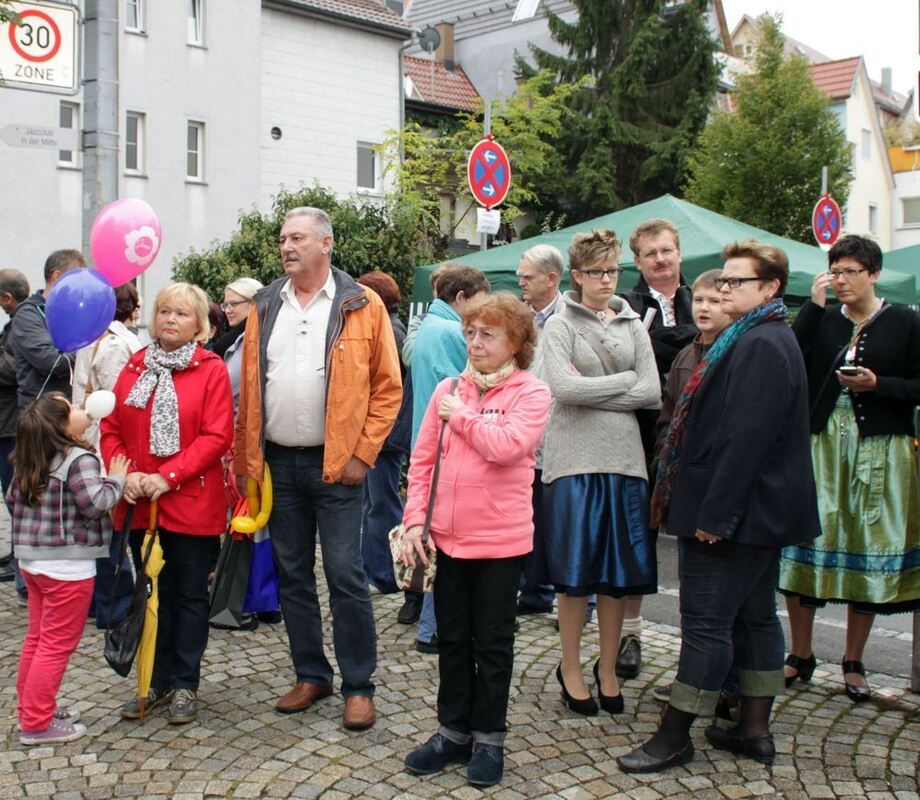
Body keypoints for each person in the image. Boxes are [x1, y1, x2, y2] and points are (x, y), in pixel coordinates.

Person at [618, 240, 820, 774]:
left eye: (736, 282)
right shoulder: (757, 336)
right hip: (755, 514)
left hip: (734, 516)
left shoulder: (759, 343)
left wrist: (716, 517)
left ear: (770, 288)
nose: (724, 289)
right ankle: (753, 730)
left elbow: (744, 441)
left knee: (705, 626)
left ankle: (674, 735)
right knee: (755, 619)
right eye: (723, 281)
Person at [235, 207, 401, 731]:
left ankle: (359, 685)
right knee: (292, 575)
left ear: (326, 243)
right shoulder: (265, 304)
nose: (286, 246)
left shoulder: (361, 303)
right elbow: (250, 394)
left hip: (338, 468)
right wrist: (248, 462)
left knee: (346, 574)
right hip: (279, 463)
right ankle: (311, 673)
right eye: (283, 237)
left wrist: (362, 454)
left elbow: (387, 389)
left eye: (297, 237)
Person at [400, 292, 551, 788]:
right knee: (452, 640)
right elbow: (422, 463)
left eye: (489, 334)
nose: (476, 342)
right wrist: (417, 520)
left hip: (500, 542)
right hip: (447, 537)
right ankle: (452, 733)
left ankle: (489, 737)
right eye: (471, 332)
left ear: (516, 343)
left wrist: (459, 416)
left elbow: (507, 447)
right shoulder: (450, 386)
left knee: (493, 644)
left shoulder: (531, 393)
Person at [779, 235, 920, 702]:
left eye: (849, 272)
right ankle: (800, 653)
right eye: (834, 271)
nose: (839, 280)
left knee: (867, 541)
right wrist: (813, 310)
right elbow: (788, 361)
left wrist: (880, 385)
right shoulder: (822, 319)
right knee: (806, 541)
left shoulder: (904, 321)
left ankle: (853, 659)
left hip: (879, 448)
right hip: (820, 446)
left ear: (873, 274)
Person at [101, 282, 234, 725]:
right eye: (163, 312)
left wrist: (167, 475)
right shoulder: (135, 366)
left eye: (180, 314)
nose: (169, 320)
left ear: (198, 324)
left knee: (188, 594)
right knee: (150, 593)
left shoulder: (210, 369)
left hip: (189, 501)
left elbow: (217, 436)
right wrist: (130, 474)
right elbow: (111, 427)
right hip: (142, 503)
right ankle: (153, 680)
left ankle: (184, 682)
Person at [540, 230, 660, 718]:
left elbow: (652, 390)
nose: (606, 279)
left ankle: (606, 668)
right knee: (575, 578)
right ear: (577, 276)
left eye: (612, 270)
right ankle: (570, 665)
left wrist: (599, 387)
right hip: (573, 461)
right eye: (596, 271)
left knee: (616, 578)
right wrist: (623, 382)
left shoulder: (634, 323)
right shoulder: (560, 324)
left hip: (626, 462)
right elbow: (563, 388)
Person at [10, 392, 128, 745]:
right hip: (67, 567)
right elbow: (95, 503)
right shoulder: (78, 459)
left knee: (37, 637)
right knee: (56, 644)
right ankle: (36, 722)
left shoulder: (28, 455)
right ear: (61, 425)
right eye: (73, 409)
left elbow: (14, 500)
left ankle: (33, 706)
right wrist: (118, 481)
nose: (82, 408)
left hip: (33, 561)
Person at [616, 219, 698, 680]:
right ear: (639, 261)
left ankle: (697, 642)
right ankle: (631, 633)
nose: (661, 260)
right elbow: (630, 358)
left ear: (679, 253)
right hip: (641, 433)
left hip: (694, 437)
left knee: (695, 543)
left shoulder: (704, 295)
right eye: (651, 254)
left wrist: (659, 344)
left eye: (667, 251)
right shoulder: (627, 302)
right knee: (637, 537)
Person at [408, 264, 490, 653]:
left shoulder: (426, 327)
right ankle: (434, 628)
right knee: (445, 540)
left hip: (430, 438)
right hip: (449, 440)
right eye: (477, 301)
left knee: (433, 533)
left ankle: (429, 624)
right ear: (461, 298)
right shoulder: (452, 332)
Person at [71, 282, 143, 630]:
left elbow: (115, 401)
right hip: (97, 440)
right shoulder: (109, 341)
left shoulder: (107, 342)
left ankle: (110, 603)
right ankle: (110, 603)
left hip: (98, 440)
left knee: (107, 529)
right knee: (105, 529)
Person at [396, 260, 465, 625]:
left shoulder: (424, 327)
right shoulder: (451, 331)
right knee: (431, 524)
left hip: (423, 433)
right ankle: (427, 615)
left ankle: (416, 604)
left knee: (421, 517)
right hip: (440, 435)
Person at [516, 245, 564, 616]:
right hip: (522, 433)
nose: (522, 283)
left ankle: (571, 597)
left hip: (562, 433)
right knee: (527, 514)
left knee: (559, 519)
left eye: (528, 277)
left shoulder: (572, 316)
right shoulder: (518, 317)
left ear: (552, 279)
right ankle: (533, 591)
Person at [355, 270, 409, 596]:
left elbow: (391, 388)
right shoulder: (385, 325)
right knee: (373, 503)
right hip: (379, 433)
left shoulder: (391, 330)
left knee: (382, 505)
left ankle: (386, 574)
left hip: (385, 435)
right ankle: (373, 569)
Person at [10, 249, 84, 411]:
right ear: (57, 276)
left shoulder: (72, 314)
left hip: (68, 412)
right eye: (77, 280)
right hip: (40, 419)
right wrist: (87, 345)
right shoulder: (28, 315)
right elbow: (52, 361)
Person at [72, 282, 143, 445]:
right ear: (127, 307)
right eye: (136, 306)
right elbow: (116, 394)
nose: (138, 314)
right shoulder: (115, 344)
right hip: (106, 432)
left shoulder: (93, 335)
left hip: (93, 425)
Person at [0, 269, 30, 585]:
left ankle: (22, 568)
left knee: (15, 496)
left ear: (8, 297)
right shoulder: (16, 323)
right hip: (7, 422)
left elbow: (11, 370)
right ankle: (17, 560)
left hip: (11, 425)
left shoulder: (22, 323)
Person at [219, 277, 264, 412]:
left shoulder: (257, 338)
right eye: (225, 305)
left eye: (233, 304)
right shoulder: (235, 339)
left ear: (253, 303)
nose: (228, 310)